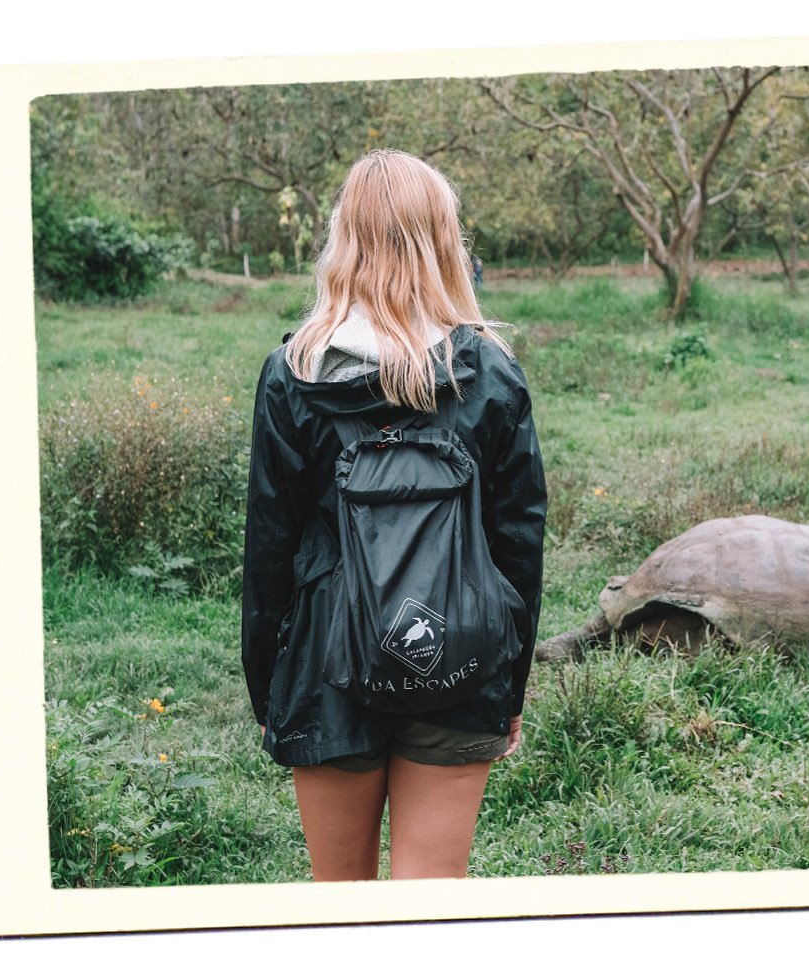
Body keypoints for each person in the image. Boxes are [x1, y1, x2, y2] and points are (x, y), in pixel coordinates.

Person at [240, 149, 547, 881]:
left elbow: (270, 550)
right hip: (462, 657)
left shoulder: (293, 375)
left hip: (323, 666)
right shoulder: (490, 372)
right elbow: (518, 543)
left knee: (340, 905)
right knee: (429, 913)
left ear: (342, 238)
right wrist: (509, 686)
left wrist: (269, 687)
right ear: (445, 239)